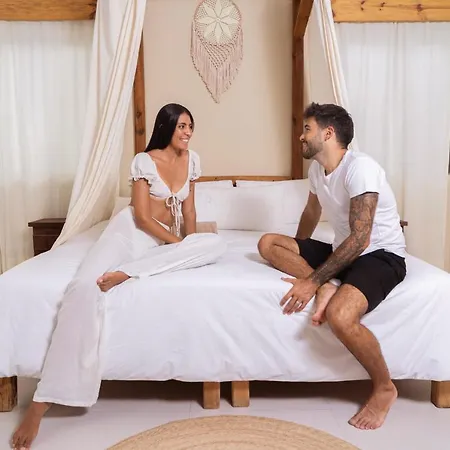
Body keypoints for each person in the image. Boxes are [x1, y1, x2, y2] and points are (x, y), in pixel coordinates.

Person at [12, 103, 226, 449]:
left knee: (215, 244)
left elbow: (189, 211)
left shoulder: (192, 160)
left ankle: (128, 273)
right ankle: (42, 402)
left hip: (162, 244)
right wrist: (179, 247)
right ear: (166, 127)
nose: (188, 132)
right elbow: (141, 217)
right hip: (130, 233)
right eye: (182, 126)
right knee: (84, 286)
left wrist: (189, 245)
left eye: (191, 126)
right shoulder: (144, 161)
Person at [258, 102, 406, 431]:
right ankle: (327, 284)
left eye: (307, 129)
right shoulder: (317, 171)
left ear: (328, 133)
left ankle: (385, 387)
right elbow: (312, 213)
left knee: (340, 315)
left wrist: (310, 281)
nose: (301, 136)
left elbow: (361, 239)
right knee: (269, 243)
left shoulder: (360, 168)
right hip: (343, 251)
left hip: (380, 256)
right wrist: (307, 262)